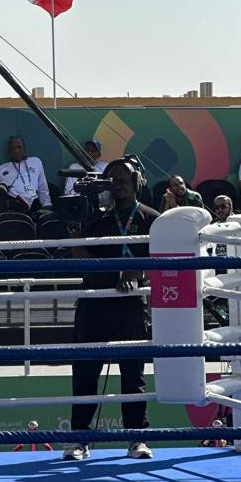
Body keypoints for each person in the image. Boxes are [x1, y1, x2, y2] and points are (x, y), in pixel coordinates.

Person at [63, 158, 158, 462]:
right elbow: (80, 257)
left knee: (133, 376)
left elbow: (162, 264)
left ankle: (137, 438)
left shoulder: (151, 219)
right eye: (112, 180)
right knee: (85, 375)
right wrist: (76, 222)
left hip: (131, 306)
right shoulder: (94, 216)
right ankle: (80, 440)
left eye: (123, 179)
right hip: (94, 303)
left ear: (137, 183)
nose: (118, 185)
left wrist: (138, 273)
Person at [0, 136, 51, 218]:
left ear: (24, 149)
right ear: (9, 151)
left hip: (34, 205)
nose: (16, 151)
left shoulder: (36, 162)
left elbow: (43, 188)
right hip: (14, 208)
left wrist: (47, 206)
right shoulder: (1, 169)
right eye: (12, 148)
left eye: (19, 147)